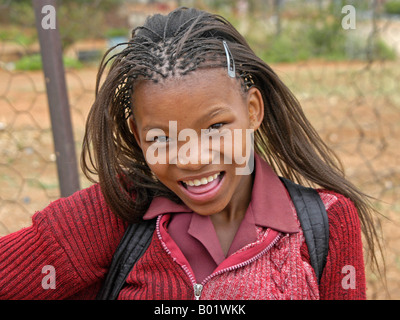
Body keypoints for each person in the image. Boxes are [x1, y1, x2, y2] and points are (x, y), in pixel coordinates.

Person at [0, 7, 382, 300]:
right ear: (137, 136)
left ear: (252, 110)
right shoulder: (113, 212)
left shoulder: (326, 224)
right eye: (161, 138)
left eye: (215, 127)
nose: (192, 158)